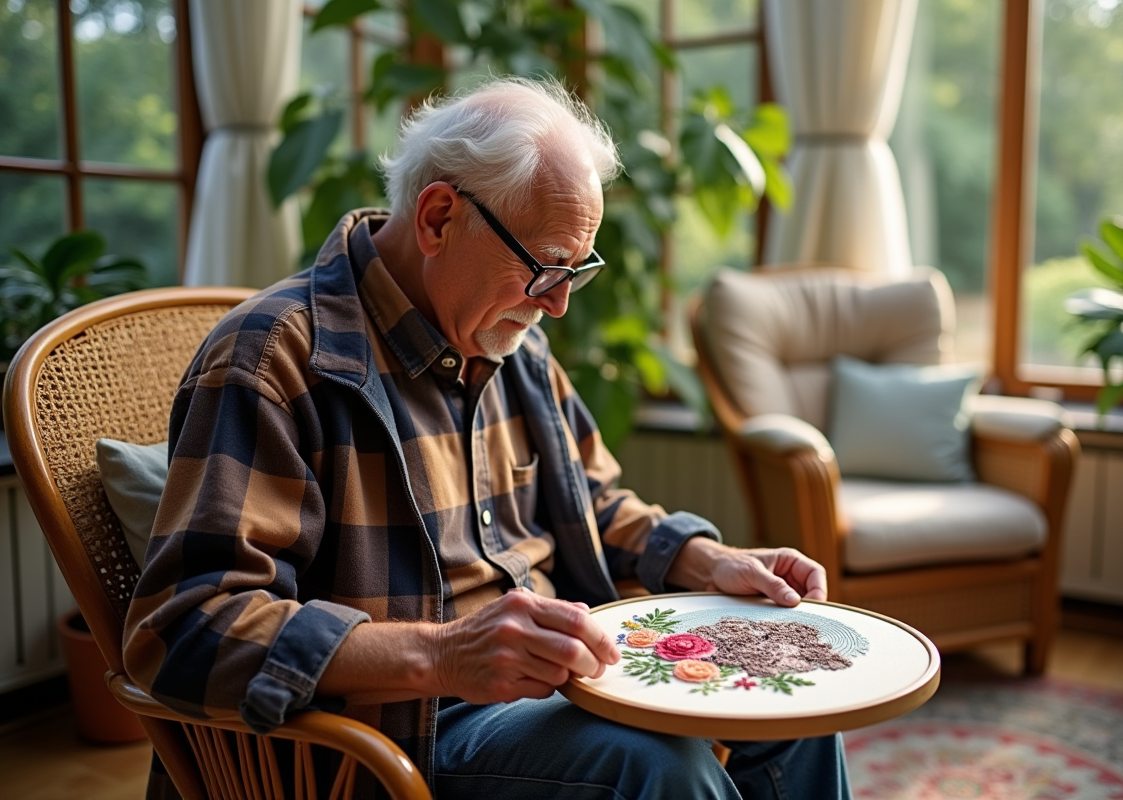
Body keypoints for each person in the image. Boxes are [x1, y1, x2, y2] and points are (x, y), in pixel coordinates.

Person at [124, 76, 851, 799]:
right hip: (392, 738)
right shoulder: (274, 360)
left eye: (576, 271)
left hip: (552, 685)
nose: (559, 304)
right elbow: (184, 629)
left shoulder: (513, 346)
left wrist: (707, 560)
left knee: (794, 701)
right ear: (438, 218)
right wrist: (442, 654)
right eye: (545, 266)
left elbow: (593, 500)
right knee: (657, 769)